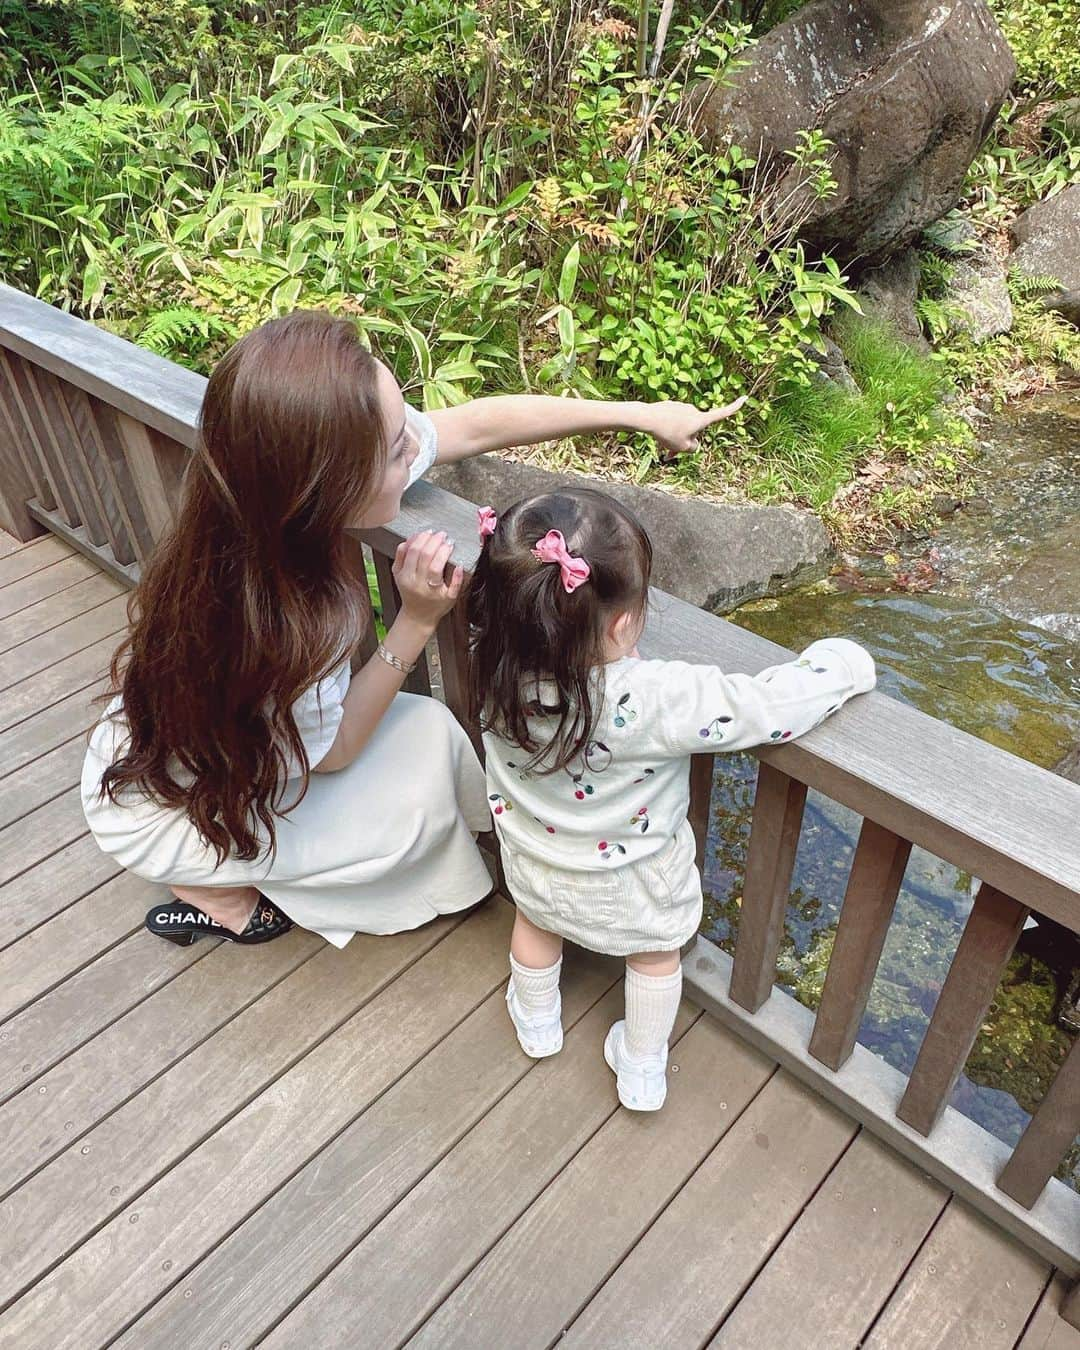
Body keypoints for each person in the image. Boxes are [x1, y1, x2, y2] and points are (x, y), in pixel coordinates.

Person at [81, 309, 745, 948]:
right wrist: (417, 621)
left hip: (190, 756)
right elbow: (334, 752)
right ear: (328, 485)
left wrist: (637, 416)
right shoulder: (280, 634)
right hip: (172, 810)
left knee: (429, 735)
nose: (418, 445)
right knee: (415, 818)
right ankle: (215, 893)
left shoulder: (243, 526)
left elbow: (477, 425)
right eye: (400, 448)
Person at [467, 487, 876, 1109]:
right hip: (639, 880)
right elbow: (764, 709)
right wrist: (843, 664)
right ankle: (641, 1067)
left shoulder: (491, 667)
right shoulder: (658, 695)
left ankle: (536, 1020)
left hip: (534, 860)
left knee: (535, 925)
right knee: (656, 956)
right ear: (625, 622)